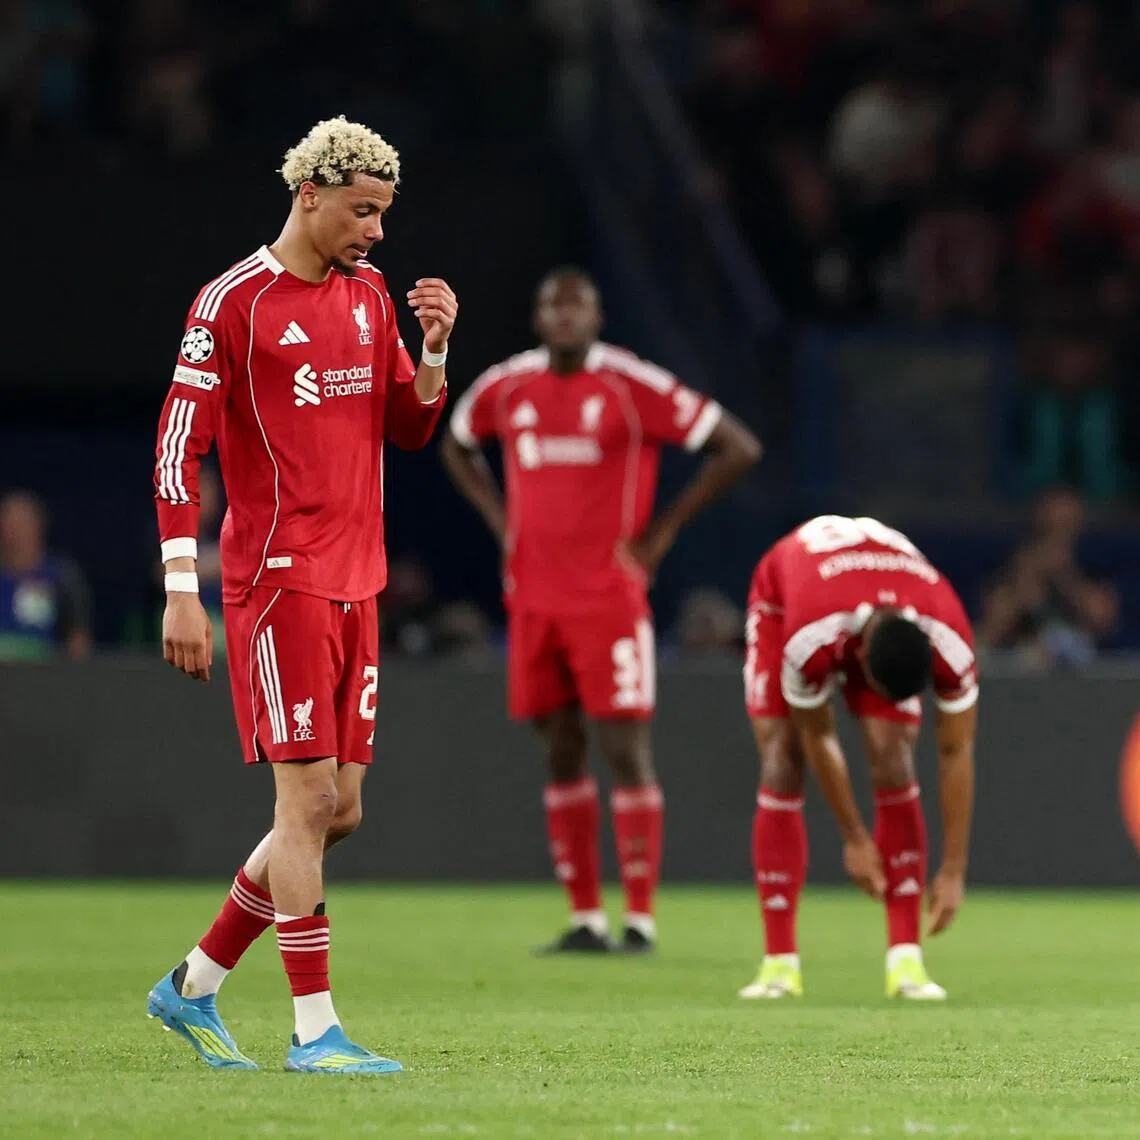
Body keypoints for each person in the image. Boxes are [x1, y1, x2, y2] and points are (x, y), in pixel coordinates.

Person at [147, 116, 457, 1074]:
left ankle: (193, 984)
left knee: (338, 812)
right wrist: (180, 590)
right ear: (308, 195)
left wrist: (436, 350)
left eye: (383, 214)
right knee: (307, 796)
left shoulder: (368, 298)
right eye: (362, 212)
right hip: (279, 583)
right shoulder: (231, 303)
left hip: (358, 580)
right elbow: (176, 451)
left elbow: (406, 428)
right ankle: (316, 1033)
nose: (375, 233)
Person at [441, 269, 760, 954]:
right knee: (559, 747)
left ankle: (640, 919)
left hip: (609, 599)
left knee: (623, 747)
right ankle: (586, 917)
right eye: (552, 307)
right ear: (537, 319)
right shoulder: (508, 385)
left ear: (597, 318)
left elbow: (738, 446)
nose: (564, 318)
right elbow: (456, 440)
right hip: (532, 596)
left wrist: (662, 532)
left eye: (576, 308)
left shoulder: (630, 385)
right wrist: (501, 521)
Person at [740, 515, 977, 1002]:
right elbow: (818, 733)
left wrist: (953, 869)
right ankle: (779, 965)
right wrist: (854, 837)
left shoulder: (950, 639)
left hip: (875, 591)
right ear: (861, 658)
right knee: (783, 759)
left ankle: (906, 962)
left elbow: (956, 749)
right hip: (784, 596)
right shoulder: (812, 636)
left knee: (894, 756)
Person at [980, 486, 1119, 668]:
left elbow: (1102, 619)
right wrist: (1024, 585)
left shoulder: (1090, 570)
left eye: (1065, 526)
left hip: (1081, 674)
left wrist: (1066, 578)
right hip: (1024, 670)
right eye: (1052, 528)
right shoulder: (1011, 572)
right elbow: (989, 632)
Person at [0, 490, 91, 661]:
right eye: (8, 523)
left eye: (21, 523)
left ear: (38, 525)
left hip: (43, 679)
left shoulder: (62, 576)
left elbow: (78, 640)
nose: (13, 531)